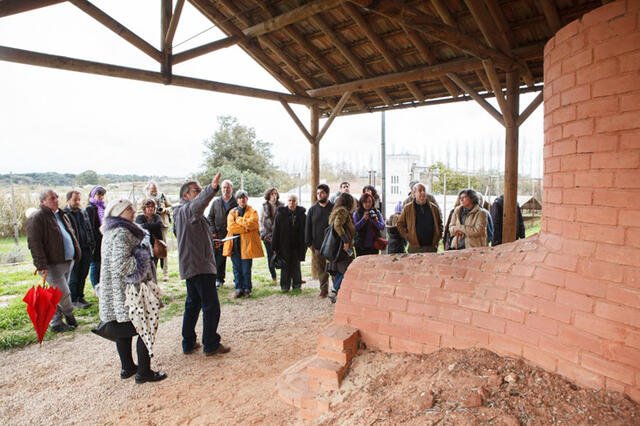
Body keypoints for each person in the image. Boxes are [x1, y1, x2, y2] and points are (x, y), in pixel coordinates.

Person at [99, 198, 167, 384]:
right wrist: (143, 257)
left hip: (117, 291)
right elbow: (121, 265)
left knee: (123, 328)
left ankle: (127, 367)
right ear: (119, 213)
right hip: (130, 291)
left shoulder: (110, 231)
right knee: (145, 324)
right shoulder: (122, 233)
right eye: (128, 208)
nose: (132, 210)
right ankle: (144, 372)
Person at [174, 173, 230, 356]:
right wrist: (212, 188)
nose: (199, 194)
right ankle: (211, 344)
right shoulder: (187, 210)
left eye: (200, 190)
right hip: (199, 266)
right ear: (185, 196)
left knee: (193, 303)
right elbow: (199, 204)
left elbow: (192, 236)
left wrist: (210, 242)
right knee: (211, 305)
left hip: (194, 264)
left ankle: (188, 342)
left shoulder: (185, 212)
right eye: (195, 191)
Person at [26, 189, 80, 332]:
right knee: (63, 293)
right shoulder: (37, 217)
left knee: (55, 295)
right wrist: (41, 265)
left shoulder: (60, 214)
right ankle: (69, 315)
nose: (56, 200)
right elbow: (34, 243)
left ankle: (56, 323)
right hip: (51, 265)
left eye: (56, 197)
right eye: (52, 198)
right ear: (43, 201)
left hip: (67, 261)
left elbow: (69, 234)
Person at [223, 190, 264, 298]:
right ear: (237, 200)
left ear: (247, 198)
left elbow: (254, 224)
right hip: (234, 245)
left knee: (246, 269)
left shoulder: (253, 211)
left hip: (247, 245)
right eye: (240, 198)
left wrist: (240, 220)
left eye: (244, 197)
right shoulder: (232, 212)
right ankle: (238, 288)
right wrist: (246, 229)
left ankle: (247, 289)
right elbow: (231, 227)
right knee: (236, 269)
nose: (242, 199)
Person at [63, 190, 95, 309]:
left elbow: (89, 228)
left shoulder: (83, 212)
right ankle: (73, 299)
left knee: (83, 274)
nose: (77, 202)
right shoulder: (64, 214)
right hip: (74, 249)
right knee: (74, 275)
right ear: (68, 200)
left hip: (86, 247)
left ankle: (80, 297)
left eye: (78, 199)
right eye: (74, 199)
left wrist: (92, 243)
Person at [271, 194, 306, 292]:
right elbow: (276, 231)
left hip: (297, 245)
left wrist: (305, 244)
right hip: (284, 245)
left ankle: (297, 285)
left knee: (296, 266)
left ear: (297, 202)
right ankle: (285, 286)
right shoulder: (280, 214)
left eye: (294, 200)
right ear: (287, 202)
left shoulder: (302, 215)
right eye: (290, 200)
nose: (291, 203)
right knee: (285, 266)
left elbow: (305, 231)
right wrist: (274, 246)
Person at [305, 184, 334, 298]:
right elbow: (307, 227)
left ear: (327, 194)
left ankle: (336, 288)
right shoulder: (312, 210)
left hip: (332, 245)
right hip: (317, 245)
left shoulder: (334, 208)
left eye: (321, 193)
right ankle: (324, 289)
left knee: (334, 268)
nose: (319, 195)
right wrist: (309, 243)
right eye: (317, 193)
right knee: (321, 269)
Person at [207, 180, 237, 288]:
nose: (226, 189)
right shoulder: (216, 202)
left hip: (233, 234)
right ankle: (219, 279)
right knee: (219, 259)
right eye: (224, 187)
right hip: (219, 235)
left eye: (228, 187)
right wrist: (213, 231)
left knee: (235, 258)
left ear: (231, 189)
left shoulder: (236, 202)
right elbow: (210, 217)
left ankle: (237, 280)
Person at [397, 182, 443, 253]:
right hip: (415, 247)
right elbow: (400, 224)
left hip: (431, 247)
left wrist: (438, 237)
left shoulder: (434, 208)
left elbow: (440, 224)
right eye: (420, 190)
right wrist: (408, 236)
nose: (423, 192)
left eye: (424, 190)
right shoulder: (407, 208)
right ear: (414, 193)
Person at [327, 193, 356, 304]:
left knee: (342, 270)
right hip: (343, 247)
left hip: (339, 247)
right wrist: (345, 241)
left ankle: (336, 291)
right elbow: (337, 225)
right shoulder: (343, 211)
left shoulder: (338, 210)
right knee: (347, 270)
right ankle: (334, 290)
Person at [144, 181, 172, 281]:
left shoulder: (162, 195)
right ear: (148, 189)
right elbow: (139, 211)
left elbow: (169, 206)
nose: (154, 192)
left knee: (163, 248)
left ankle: (165, 273)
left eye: (155, 189)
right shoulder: (144, 198)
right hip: (150, 227)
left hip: (162, 226)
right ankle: (151, 272)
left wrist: (165, 210)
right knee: (150, 250)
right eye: (152, 190)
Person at [260, 187, 283, 284]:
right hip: (267, 236)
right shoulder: (263, 206)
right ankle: (274, 278)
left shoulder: (282, 206)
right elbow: (261, 221)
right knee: (270, 257)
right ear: (268, 195)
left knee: (281, 256)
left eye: (275, 194)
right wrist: (263, 234)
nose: (274, 196)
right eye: (272, 194)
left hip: (280, 236)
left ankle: (283, 277)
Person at [86, 185, 106, 289]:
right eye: (99, 194)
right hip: (95, 240)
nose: (101, 197)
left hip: (104, 239)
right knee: (95, 265)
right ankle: (96, 288)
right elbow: (90, 226)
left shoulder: (104, 207)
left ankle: (101, 286)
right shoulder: (90, 208)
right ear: (93, 195)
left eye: (102, 194)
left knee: (102, 264)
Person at [135, 198, 164, 268]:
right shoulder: (140, 217)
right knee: (145, 266)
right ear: (144, 208)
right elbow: (140, 227)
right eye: (148, 207)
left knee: (154, 265)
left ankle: (153, 278)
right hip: (144, 245)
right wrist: (153, 226)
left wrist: (146, 226)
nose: (150, 208)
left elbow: (159, 225)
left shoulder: (157, 216)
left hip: (156, 246)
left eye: (152, 206)